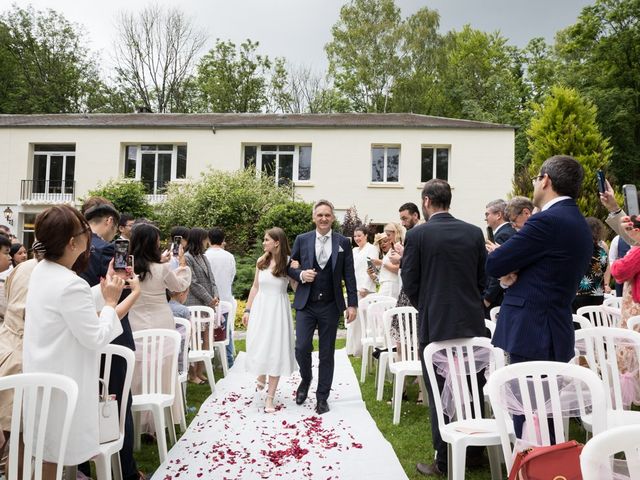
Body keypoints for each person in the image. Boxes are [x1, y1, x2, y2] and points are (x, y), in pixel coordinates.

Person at [22, 205, 139, 473]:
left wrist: (108, 281)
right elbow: (96, 338)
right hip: (65, 382)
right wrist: (110, 303)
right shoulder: (68, 282)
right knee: (58, 453)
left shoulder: (44, 270)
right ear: (74, 242)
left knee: (48, 453)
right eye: (85, 232)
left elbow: (76, 301)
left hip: (43, 377)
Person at [486, 155, 592, 442]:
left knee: (527, 415)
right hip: (555, 326)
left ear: (546, 179)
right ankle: (551, 465)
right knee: (548, 413)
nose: (535, 183)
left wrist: (506, 269)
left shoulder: (545, 221)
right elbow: (549, 268)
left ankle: (532, 466)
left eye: (536, 179)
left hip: (531, 329)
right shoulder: (579, 223)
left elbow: (494, 264)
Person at [401, 179, 488, 477]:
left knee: (439, 394)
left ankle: (444, 460)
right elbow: (482, 279)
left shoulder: (418, 235)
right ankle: (476, 453)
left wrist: (425, 306)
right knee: (472, 388)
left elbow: (409, 282)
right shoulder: (474, 232)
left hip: (435, 323)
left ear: (426, 201)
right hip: (472, 321)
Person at [288, 199, 358, 414]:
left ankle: (322, 397)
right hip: (306, 304)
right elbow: (289, 266)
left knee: (327, 353)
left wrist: (352, 304)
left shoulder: (343, 242)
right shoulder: (302, 239)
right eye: (320, 215)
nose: (324, 218)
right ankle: (306, 379)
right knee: (301, 347)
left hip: (330, 305)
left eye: (327, 215)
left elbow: (349, 274)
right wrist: (300, 274)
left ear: (333, 218)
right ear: (314, 218)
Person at [128, 223, 192, 430]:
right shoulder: (162, 268)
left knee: (138, 370)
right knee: (161, 369)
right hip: (162, 322)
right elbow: (178, 288)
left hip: (135, 321)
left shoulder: (126, 268)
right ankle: (158, 420)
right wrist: (183, 267)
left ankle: (137, 419)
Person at [242, 227, 297, 412]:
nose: (263, 243)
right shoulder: (261, 261)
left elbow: (297, 289)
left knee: (276, 349)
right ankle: (261, 373)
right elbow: (255, 287)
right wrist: (248, 310)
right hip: (261, 308)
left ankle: (270, 399)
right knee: (260, 344)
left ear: (277, 242)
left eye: (266, 240)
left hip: (278, 310)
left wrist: (297, 273)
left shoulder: (289, 263)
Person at [0, 243, 44, 467]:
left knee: (12, 435)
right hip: (20, 354)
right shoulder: (44, 273)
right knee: (17, 437)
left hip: (6, 346)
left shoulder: (23, 268)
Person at [184, 227, 219, 383]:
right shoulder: (187, 257)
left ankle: (200, 370)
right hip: (195, 303)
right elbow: (193, 283)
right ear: (199, 240)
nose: (207, 242)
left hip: (207, 303)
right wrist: (208, 298)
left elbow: (212, 278)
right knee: (195, 340)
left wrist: (216, 295)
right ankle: (192, 374)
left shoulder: (204, 257)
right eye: (205, 239)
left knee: (206, 338)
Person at [205, 227, 237, 368]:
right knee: (226, 329)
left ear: (209, 239)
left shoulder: (205, 256)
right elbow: (232, 275)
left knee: (207, 329)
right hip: (225, 295)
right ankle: (228, 360)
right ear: (223, 240)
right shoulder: (229, 256)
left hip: (209, 297)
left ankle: (209, 359)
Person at [482, 199, 516, 317]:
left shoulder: (503, 235)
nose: (485, 218)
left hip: (497, 299)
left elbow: (499, 268)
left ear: (498, 215)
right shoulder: (509, 231)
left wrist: (488, 298)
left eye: (487, 214)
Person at [573, 217, 609, 313]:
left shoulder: (576, 248)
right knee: (595, 324)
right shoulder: (602, 251)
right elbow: (604, 269)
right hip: (598, 294)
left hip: (579, 293)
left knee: (580, 325)